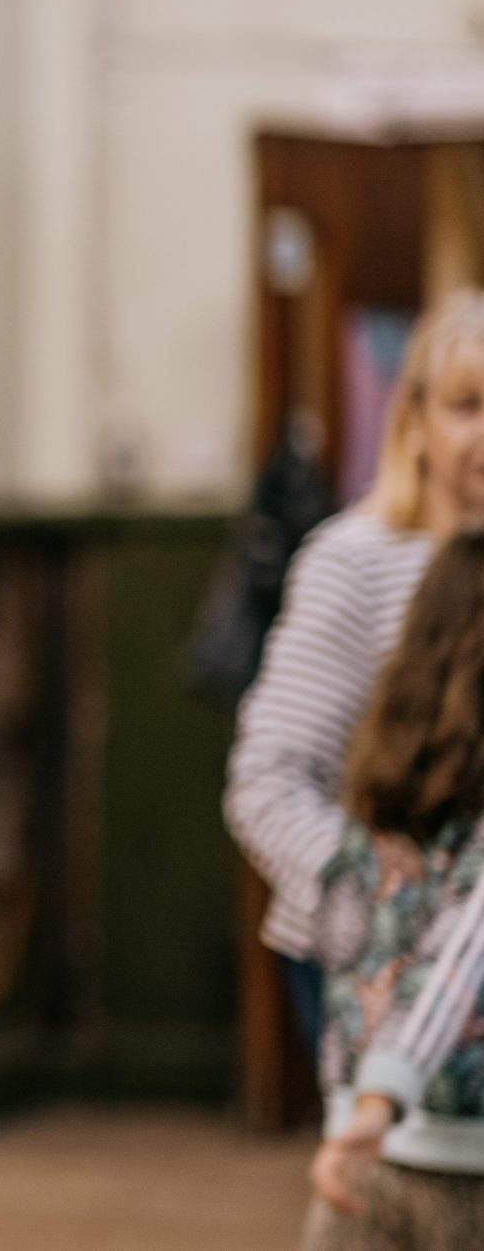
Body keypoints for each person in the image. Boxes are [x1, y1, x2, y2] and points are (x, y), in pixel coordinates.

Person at [225, 290, 484, 1049]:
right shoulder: (357, 562)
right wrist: (382, 906)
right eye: (467, 405)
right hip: (375, 957)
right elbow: (267, 782)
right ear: (415, 423)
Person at [305, 528, 484, 1248]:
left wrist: (361, 1098)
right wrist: (386, 1094)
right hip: (457, 1159)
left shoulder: (377, 786)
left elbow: (344, 941)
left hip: (358, 1151)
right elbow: (461, 954)